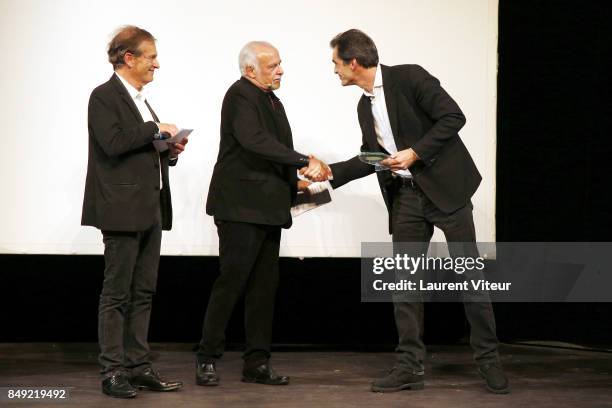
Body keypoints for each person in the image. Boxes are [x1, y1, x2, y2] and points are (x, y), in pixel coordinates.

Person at [323, 29, 509, 394]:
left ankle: (489, 361)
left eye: (336, 63)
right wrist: (332, 174)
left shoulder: (409, 77)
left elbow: (453, 117)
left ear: (354, 62)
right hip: (406, 197)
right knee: (405, 284)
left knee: (469, 277)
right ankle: (410, 366)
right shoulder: (363, 105)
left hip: (446, 192)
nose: (334, 71)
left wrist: (415, 152)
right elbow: (372, 157)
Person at [195, 41, 331, 387]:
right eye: (272, 66)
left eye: (280, 64)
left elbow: (274, 152)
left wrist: (294, 182)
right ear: (249, 70)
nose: (280, 70)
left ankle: (257, 363)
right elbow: (253, 140)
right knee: (232, 283)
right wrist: (305, 161)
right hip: (241, 209)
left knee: (263, 289)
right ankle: (207, 358)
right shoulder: (240, 95)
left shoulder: (272, 100)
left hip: (267, 209)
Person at [81, 25, 188, 398]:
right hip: (121, 209)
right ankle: (113, 371)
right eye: (151, 57)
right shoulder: (104, 96)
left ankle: (139, 366)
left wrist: (168, 148)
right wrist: (153, 129)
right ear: (129, 58)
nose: (156, 64)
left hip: (150, 207)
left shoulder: (143, 100)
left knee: (144, 291)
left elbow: (140, 147)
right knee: (117, 294)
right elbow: (112, 144)